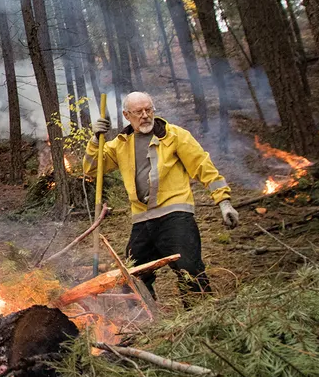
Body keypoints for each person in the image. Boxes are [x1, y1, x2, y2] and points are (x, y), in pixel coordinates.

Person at [83, 92, 238, 303]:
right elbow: (92, 169)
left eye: (149, 110)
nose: (145, 115)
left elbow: (203, 166)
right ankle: (144, 322)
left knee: (189, 269)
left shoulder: (174, 135)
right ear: (127, 115)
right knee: (133, 276)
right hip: (142, 220)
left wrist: (224, 202)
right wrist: (94, 140)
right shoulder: (120, 144)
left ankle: (201, 319)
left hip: (175, 214)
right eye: (138, 112)